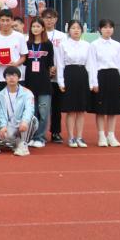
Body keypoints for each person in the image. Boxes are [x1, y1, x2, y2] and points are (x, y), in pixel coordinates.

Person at [88, 18, 120, 147]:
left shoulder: (117, 45)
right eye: (105, 27)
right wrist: (93, 82)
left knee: (113, 109)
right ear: (100, 29)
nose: (108, 30)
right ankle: (101, 135)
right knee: (100, 109)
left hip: (114, 76)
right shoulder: (94, 45)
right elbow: (92, 64)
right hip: (100, 76)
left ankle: (111, 135)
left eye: (110, 27)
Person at [57, 19, 93, 148]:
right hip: (69, 75)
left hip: (82, 75)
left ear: (82, 30)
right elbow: (60, 64)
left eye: (78, 28)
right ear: (68, 31)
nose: (76, 30)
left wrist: (91, 82)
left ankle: (80, 137)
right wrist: (61, 81)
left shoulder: (87, 45)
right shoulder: (63, 45)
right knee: (71, 110)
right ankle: (71, 137)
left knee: (81, 110)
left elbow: (90, 65)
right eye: (73, 28)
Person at [22, 18, 54, 148]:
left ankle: (40, 137)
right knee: (32, 112)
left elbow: (50, 63)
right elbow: (24, 62)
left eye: (38, 26)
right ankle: (31, 136)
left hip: (44, 82)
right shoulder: (27, 44)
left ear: (43, 28)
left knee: (44, 112)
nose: (35, 29)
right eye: (33, 26)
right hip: (30, 82)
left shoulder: (48, 44)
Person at [0, 66, 36, 156]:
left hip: (22, 123)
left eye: (14, 75)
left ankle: (23, 145)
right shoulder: (0, 95)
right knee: (6, 135)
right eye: (8, 75)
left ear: (19, 78)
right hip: (10, 124)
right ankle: (16, 143)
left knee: (32, 119)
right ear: (5, 78)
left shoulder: (27, 93)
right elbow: (1, 113)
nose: (11, 78)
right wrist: (3, 126)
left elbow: (29, 109)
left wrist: (25, 121)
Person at [41, 8, 66, 144]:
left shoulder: (62, 36)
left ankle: (56, 132)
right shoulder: (38, 33)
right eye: (46, 17)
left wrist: (57, 68)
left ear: (56, 19)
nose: (49, 20)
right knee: (42, 106)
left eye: (51, 17)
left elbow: (65, 54)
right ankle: (39, 132)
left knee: (56, 107)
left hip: (58, 75)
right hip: (42, 75)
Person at [0, 9, 27, 90]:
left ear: (12, 20)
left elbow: (23, 56)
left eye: (8, 20)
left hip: (16, 76)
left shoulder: (20, 36)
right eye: (3, 20)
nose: (5, 23)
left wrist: (16, 63)